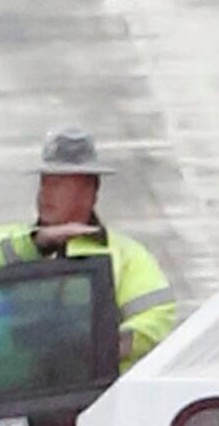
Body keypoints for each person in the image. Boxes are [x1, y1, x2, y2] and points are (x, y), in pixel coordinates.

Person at [18, 122, 181, 364]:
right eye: (44, 182)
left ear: (89, 191)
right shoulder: (12, 245)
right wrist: (35, 244)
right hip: (20, 396)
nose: (45, 194)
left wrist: (109, 346)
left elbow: (158, 318)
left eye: (58, 185)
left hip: (101, 396)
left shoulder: (127, 257)